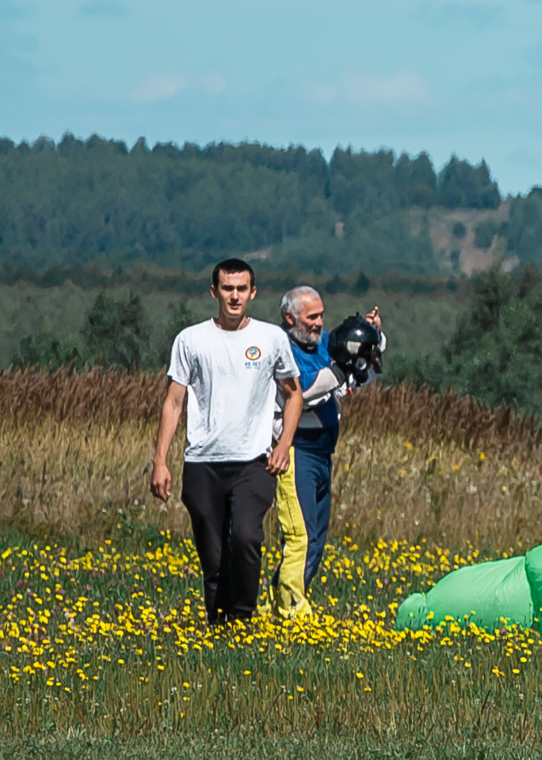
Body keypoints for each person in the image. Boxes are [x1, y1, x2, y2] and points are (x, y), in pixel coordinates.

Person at [150, 258, 302, 624]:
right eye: (227, 288)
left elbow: (294, 394)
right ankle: (220, 625)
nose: (234, 297)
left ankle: (243, 617)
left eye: (241, 289)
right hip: (203, 461)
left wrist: (282, 446)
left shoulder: (271, 338)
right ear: (214, 291)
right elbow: (173, 402)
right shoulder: (191, 339)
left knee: (247, 538)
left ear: (253, 293)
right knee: (214, 555)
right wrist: (160, 461)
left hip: (253, 460)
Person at [269, 285, 383, 619]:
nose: (320, 323)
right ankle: (291, 610)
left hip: (322, 454)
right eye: (312, 317)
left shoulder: (321, 346)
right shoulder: (282, 348)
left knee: (316, 540)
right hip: (297, 451)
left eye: (321, 315)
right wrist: (339, 370)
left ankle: (278, 603)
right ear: (290, 318)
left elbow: (358, 372)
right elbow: (303, 392)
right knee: (301, 537)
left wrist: (370, 337)